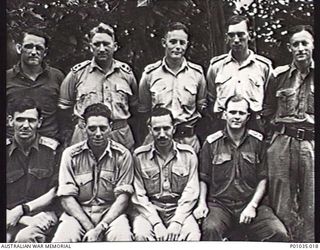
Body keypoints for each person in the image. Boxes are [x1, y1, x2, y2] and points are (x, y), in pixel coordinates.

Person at [194, 95, 288, 241]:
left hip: (250, 203)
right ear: (225, 114)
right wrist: (202, 204)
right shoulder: (212, 143)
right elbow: (203, 178)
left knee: (278, 233)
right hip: (220, 205)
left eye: (241, 113)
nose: (236, 117)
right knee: (210, 229)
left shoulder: (258, 142)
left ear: (248, 116)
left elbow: (263, 179)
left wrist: (253, 206)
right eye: (232, 112)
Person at [52, 103, 133, 242]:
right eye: (92, 128)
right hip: (78, 214)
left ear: (111, 127)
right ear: (84, 126)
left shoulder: (123, 155)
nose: (98, 134)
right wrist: (90, 227)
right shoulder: (70, 155)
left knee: (122, 238)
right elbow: (66, 198)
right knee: (62, 239)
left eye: (103, 128)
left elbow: (123, 198)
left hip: (111, 214)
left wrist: (100, 227)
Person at [262, 25, 314, 242]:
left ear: (313, 45)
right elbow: (267, 110)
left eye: (305, 43)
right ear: (290, 48)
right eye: (296, 44)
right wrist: (273, 140)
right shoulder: (279, 75)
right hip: (282, 143)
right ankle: (285, 243)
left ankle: (310, 244)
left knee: (312, 203)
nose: (300, 48)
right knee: (281, 203)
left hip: (311, 145)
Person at [58, 22, 138, 151]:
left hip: (119, 135)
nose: (101, 49)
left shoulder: (126, 73)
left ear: (115, 46)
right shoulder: (77, 74)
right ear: (90, 47)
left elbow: (135, 107)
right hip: (86, 135)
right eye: (97, 44)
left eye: (106, 44)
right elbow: (64, 108)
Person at [131, 107, 200, 241]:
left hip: (179, 209)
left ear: (174, 128)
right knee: (141, 234)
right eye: (156, 129)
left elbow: (191, 192)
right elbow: (139, 195)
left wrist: (177, 221)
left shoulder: (188, 155)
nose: (162, 134)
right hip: (149, 210)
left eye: (166, 128)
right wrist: (156, 223)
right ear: (150, 129)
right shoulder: (139, 156)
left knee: (192, 235)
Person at [138, 22, 207, 153]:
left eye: (182, 43)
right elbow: (144, 109)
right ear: (164, 43)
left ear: (187, 44)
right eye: (173, 42)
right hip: (158, 140)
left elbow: (201, 106)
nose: (177, 47)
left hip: (187, 140)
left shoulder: (197, 74)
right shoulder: (150, 74)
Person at [206, 15, 272, 134]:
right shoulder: (216, 66)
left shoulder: (263, 66)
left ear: (249, 35)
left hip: (254, 124)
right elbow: (211, 96)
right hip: (223, 123)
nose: (236, 40)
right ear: (227, 37)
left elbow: (269, 98)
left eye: (240, 34)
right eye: (231, 35)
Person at [6, 97, 60, 243]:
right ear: (10, 121)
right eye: (20, 120)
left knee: (24, 238)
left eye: (31, 120)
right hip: (9, 214)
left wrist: (24, 210)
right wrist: (21, 217)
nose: (25, 125)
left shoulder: (53, 150)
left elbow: (55, 191)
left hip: (43, 214)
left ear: (39, 123)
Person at [7, 29, 65, 141]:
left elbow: (64, 114)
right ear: (19, 48)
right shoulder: (7, 77)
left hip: (49, 144)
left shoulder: (57, 77)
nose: (34, 52)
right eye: (29, 46)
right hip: (12, 145)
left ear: (45, 52)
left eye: (39, 48)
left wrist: (61, 142)